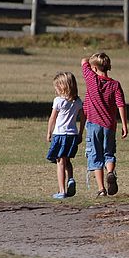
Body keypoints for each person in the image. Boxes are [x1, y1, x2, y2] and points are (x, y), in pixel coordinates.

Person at [81, 52, 128, 196]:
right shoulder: (115, 85)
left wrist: (90, 62)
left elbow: (83, 61)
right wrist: (124, 125)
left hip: (93, 124)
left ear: (94, 68)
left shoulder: (91, 79)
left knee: (95, 155)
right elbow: (121, 104)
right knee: (109, 153)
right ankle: (110, 172)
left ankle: (101, 189)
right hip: (109, 125)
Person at [46, 71, 85, 199]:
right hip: (72, 134)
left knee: (60, 161)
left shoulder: (58, 101)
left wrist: (49, 133)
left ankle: (62, 190)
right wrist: (80, 133)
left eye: (57, 86)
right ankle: (71, 179)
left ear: (63, 86)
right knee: (67, 159)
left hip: (60, 134)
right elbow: (83, 118)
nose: (55, 89)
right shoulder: (78, 101)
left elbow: (52, 118)